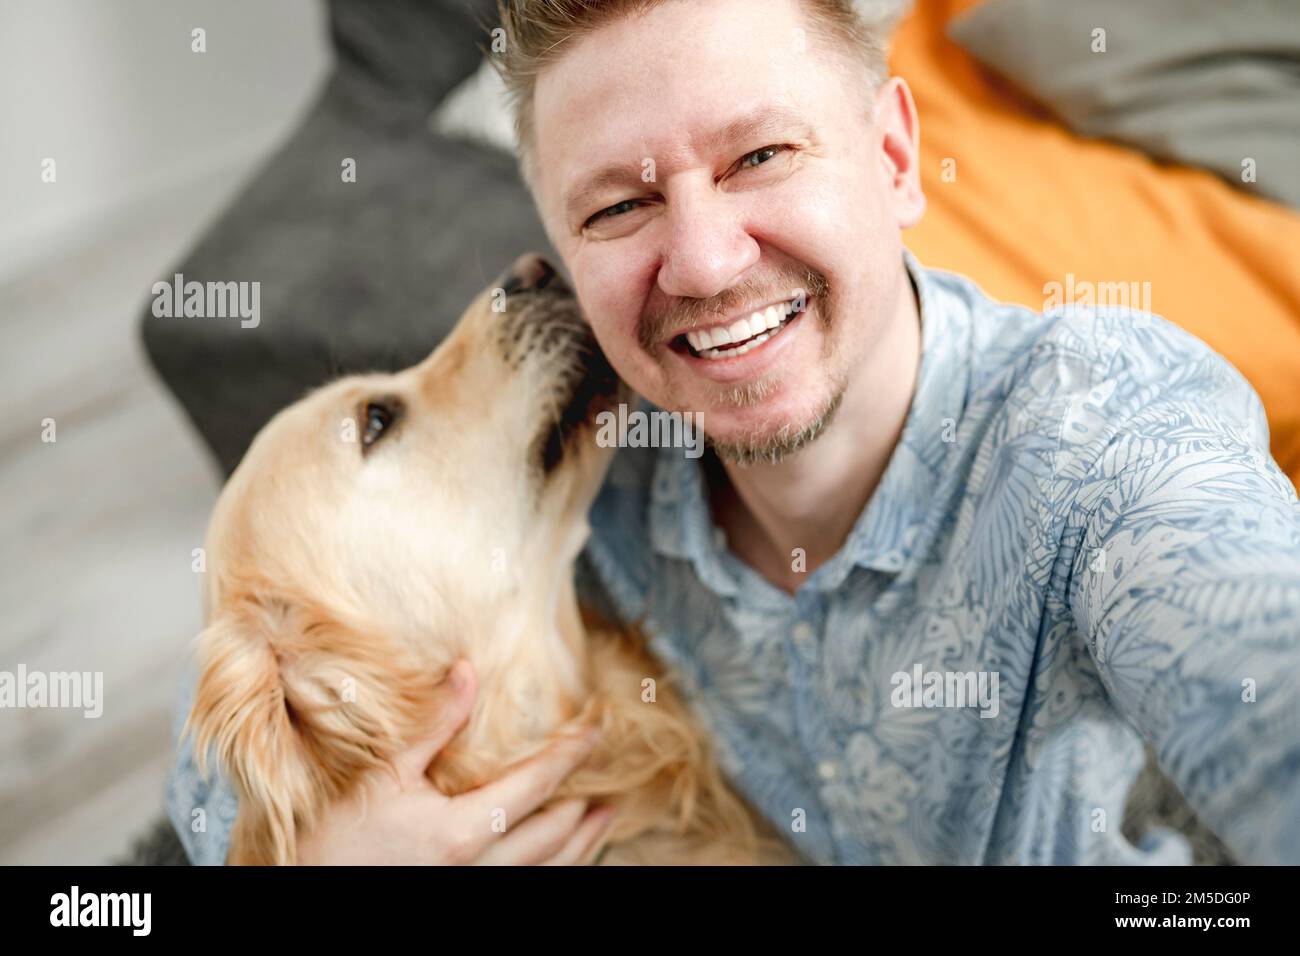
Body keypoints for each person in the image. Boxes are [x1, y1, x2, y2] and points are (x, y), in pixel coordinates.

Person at [167, 0, 1300, 864]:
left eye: (760, 156)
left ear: (896, 158)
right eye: (618, 205)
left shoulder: (1101, 444)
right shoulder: (585, 459)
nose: (704, 262)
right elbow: (229, 737)